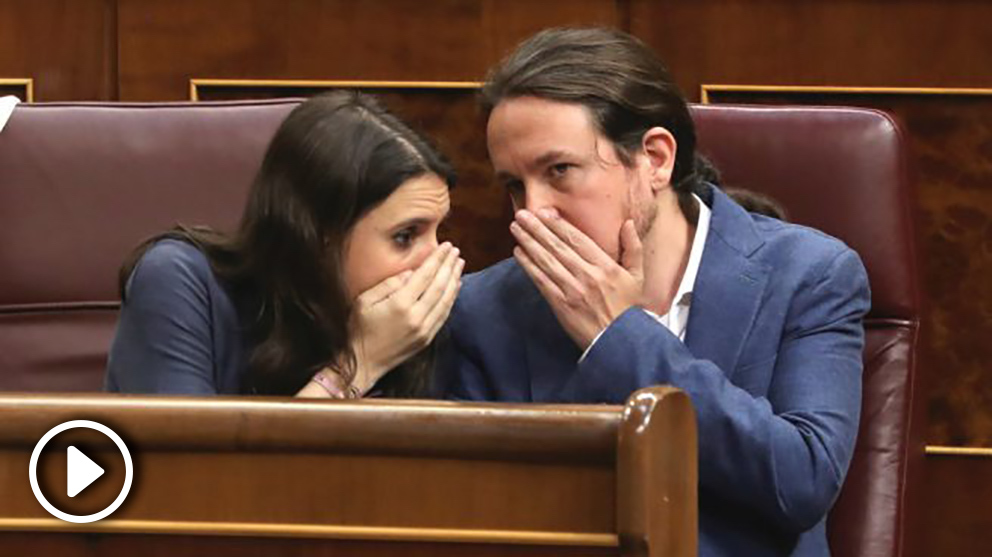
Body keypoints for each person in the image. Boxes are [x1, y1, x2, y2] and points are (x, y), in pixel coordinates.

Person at [440, 27, 869, 557]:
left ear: (656, 159)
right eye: (514, 185)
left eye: (559, 170)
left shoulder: (810, 274)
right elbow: (480, 516)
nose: (533, 211)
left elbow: (800, 481)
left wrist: (621, 336)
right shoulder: (483, 310)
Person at [106, 91, 464, 398]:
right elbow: (194, 476)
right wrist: (361, 364)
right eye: (405, 236)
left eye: (439, 232)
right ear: (321, 236)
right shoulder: (178, 282)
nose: (436, 262)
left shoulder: (421, 328)